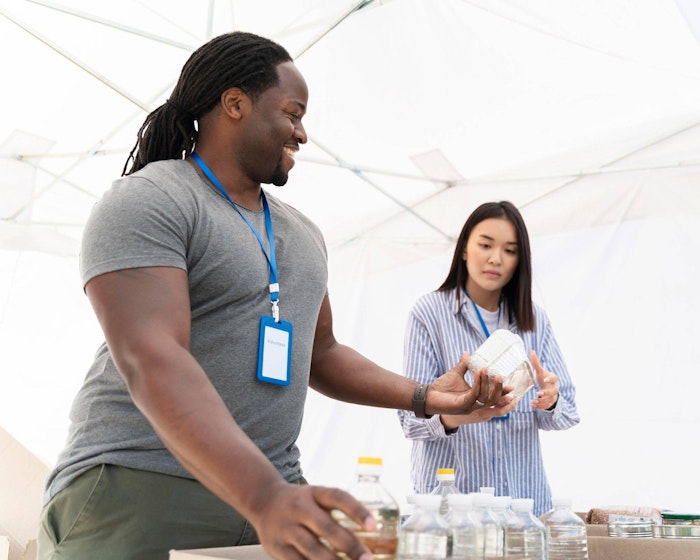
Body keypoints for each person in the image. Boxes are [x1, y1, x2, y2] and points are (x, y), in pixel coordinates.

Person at [36, 32, 516, 560]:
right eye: (292, 113)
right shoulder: (151, 199)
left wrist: (426, 396)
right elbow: (152, 358)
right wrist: (264, 495)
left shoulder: (302, 233)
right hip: (143, 487)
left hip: (271, 498)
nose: (303, 134)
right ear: (235, 103)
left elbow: (323, 353)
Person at [397, 201, 580, 516]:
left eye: (510, 251)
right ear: (465, 249)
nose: (496, 258)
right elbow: (410, 420)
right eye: (485, 245)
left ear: (520, 261)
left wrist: (551, 400)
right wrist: (461, 413)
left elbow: (568, 413)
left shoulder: (535, 319)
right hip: (452, 513)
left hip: (525, 509)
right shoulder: (429, 314)